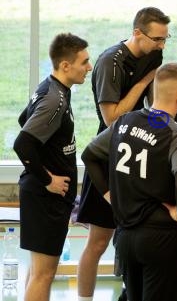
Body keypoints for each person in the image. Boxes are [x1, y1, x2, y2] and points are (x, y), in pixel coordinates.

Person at [76, 7, 171, 301]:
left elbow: (154, 106)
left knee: (134, 236)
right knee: (98, 241)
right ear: (137, 33)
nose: (162, 46)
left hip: (135, 152)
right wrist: (144, 82)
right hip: (107, 155)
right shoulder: (109, 62)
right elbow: (112, 118)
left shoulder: (154, 55)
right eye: (157, 39)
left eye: (166, 39)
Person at [81, 62, 177, 301]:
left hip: (125, 237)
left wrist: (107, 194)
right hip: (160, 237)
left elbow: (89, 155)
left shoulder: (124, 122)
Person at [13, 33, 92, 301]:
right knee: (43, 275)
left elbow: (25, 118)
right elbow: (23, 144)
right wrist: (48, 179)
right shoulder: (54, 100)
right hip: (45, 197)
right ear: (65, 65)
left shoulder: (52, 88)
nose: (89, 67)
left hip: (45, 197)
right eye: (85, 62)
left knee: (38, 272)